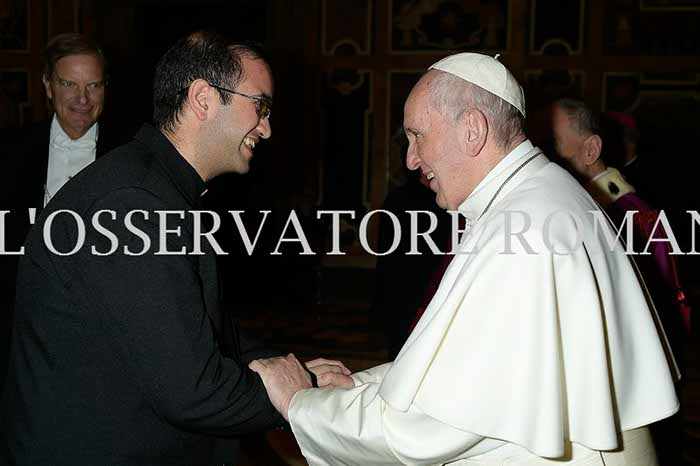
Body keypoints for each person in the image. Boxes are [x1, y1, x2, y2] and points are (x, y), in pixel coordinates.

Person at [248, 53, 680, 465]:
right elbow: (460, 368)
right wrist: (358, 387)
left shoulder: (524, 229)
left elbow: (432, 425)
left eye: (417, 135)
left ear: (472, 129)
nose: (411, 159)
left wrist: (300, 403)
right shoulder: (536, 196)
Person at [1, 31, 347, 465]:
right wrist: (297, 395)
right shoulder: (134, 203)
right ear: (203, 98)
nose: (266, 127)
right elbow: (193, 391)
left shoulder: (152, 186)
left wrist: (292, 370)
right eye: (260, 106)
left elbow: (200, 328)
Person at [551, 98, 691, 466]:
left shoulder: (625, 214)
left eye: (555, 143)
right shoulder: (583, 207)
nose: (546, 156)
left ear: (591, 149)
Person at [0, 33, 117, 394]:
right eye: (69, 84)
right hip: (23, 337)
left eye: (93, 85)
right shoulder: (9, 153)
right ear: (48, 86)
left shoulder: (131, 156)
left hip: (106, 339)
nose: (82, 99)